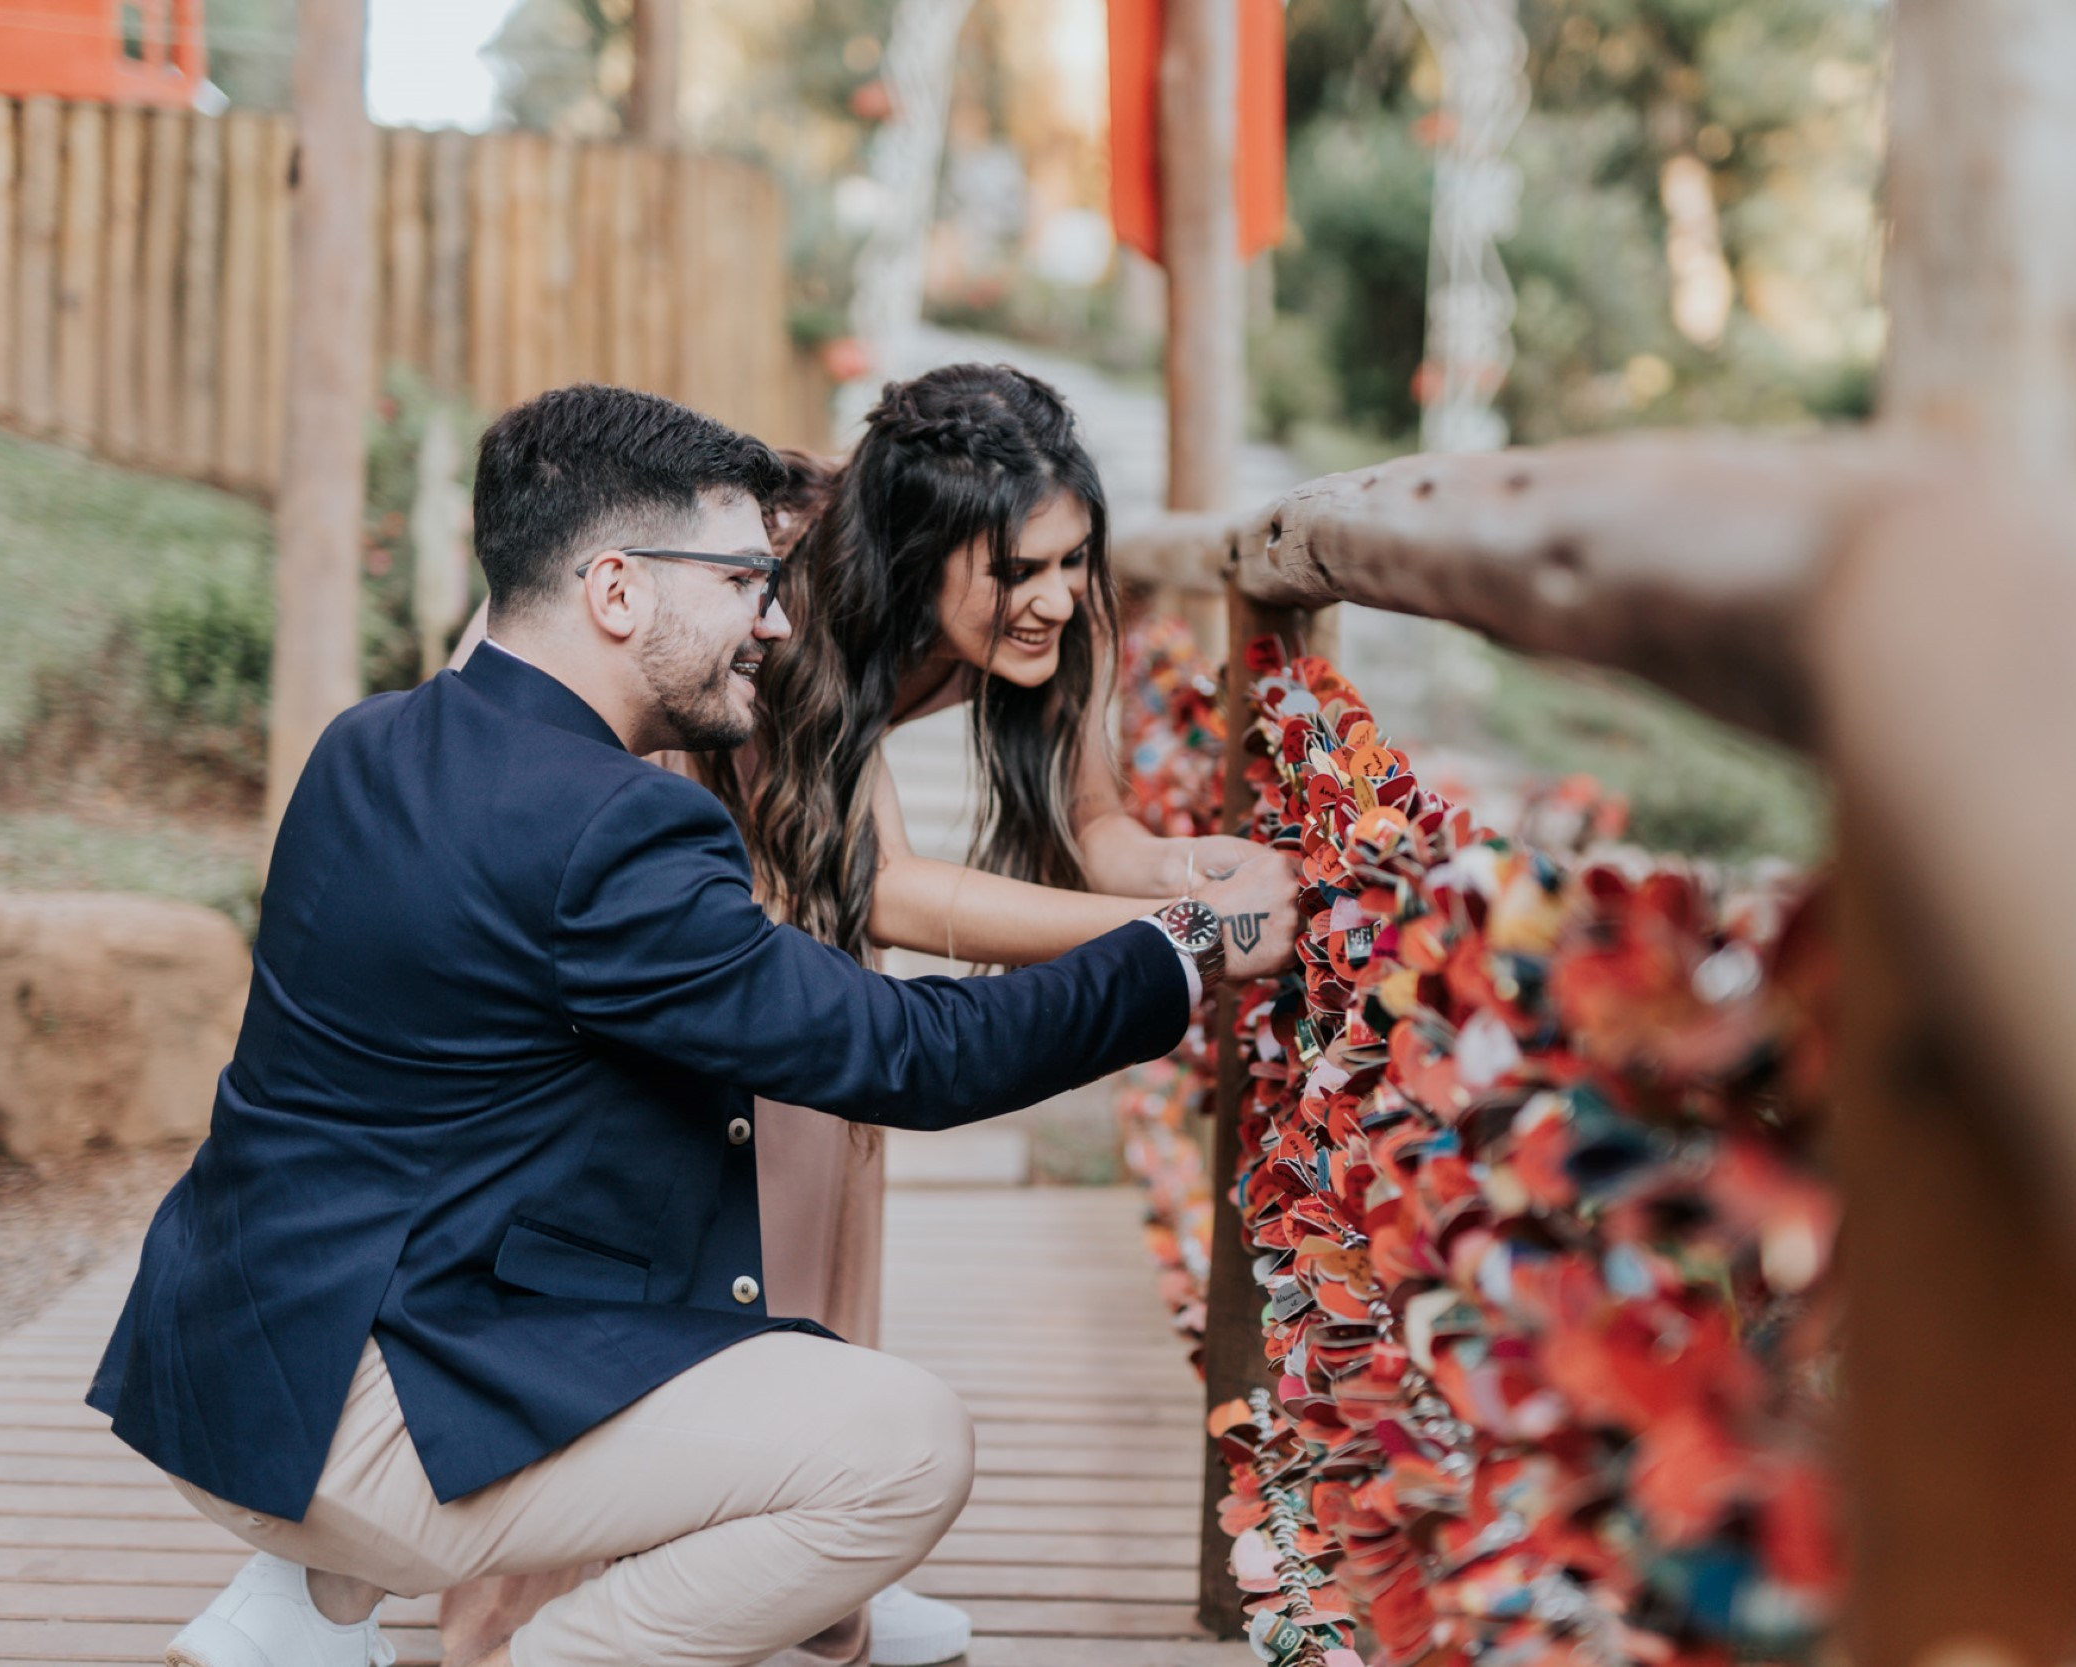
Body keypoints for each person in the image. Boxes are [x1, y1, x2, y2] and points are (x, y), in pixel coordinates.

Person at [92, 383, 1300, 1667]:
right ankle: (509, 1631)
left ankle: (308, 1610)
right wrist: (1182, 950)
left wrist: (1166, 887)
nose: (774, 618)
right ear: (618, 591)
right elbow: (908, 1044)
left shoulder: (363, 742)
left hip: (220, 1370)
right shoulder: (626, 822)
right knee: (893, 1434)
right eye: (742, 582)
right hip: (375, 1416)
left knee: (608, 1135)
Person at [437, 363, 1274, 1667]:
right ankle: (499, 1604)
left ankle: (809, 1573)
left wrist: (1184, 877)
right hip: (622, 759)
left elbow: (1097, 826)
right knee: (674, 1132)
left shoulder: (1059, 596)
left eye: (1075, 559)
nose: (1057, 593)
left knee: (822, 1118)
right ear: (920, 552)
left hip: (780, 842)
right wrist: (1182, 942)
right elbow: (876, 886)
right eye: (1019, 569)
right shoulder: (787, 603)